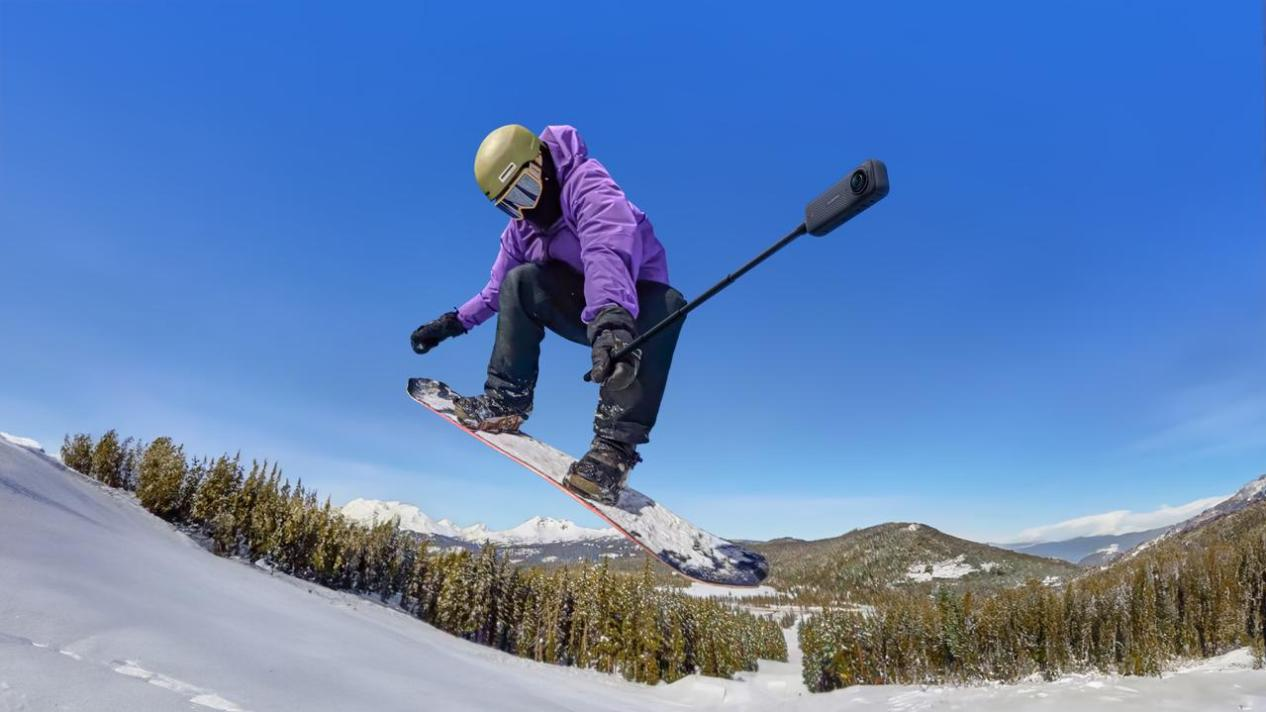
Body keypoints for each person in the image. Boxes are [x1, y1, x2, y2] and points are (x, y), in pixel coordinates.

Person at [410, 125, 686, 505]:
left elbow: (606, 247)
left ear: (540, 162)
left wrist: (611, 320)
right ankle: (508, 399)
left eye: (525, 190)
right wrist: (451, 323)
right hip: (587, 309)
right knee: (521, 281)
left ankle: (613, 449)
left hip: (632, 307)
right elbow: (495, 290)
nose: (523, 209)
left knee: (670, 304)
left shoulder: (587, 184)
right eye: (510, 204)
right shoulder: (522, 230)